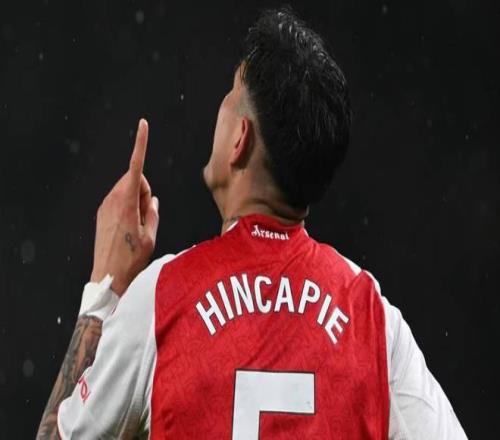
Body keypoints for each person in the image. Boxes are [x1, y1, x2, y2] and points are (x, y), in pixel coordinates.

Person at [37, 7, 467, 439]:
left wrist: (105, 289)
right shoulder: (371, 318)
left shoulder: (163, 296)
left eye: (230, 94)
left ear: (240, 138)